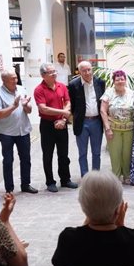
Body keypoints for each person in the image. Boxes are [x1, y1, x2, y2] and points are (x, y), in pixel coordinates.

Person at [34, 63, 78, 192]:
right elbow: (43, 109)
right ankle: (50, 182)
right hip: (47, 125)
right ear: (43, 75)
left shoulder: (62, 86)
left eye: (55, 71)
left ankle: (65, 179)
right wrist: (62, 112)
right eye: (51, 72)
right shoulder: (39, 90)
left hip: (62, 123)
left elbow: (68, 102)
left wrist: (64, 119)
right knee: (47, 155)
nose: (54, 74)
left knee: (63, 154)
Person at [0, 69, 36, 194]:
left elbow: (29, 111)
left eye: (16, 78)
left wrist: (26, 105)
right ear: (4, 80)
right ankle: (9, 188)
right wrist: (14, 106)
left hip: (23, 130)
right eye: (12, 79)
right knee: (8, 160)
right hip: (7, 133)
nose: (15, 81)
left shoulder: (21, 89)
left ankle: (26, 185)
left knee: (26, 158)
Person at [68, 61, 105, 177]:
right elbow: (72, 105)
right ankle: (85, 176)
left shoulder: (100, 82)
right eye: (84, 70)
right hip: (82, 122)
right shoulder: (73, 85)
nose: (87, 72)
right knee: (82, 153)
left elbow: (103, 102)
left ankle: (95, 176)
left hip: (96, 122)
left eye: (89, 69)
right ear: (79, 72)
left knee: (96, 152)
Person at [100, 70, 134, 184]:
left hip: (129, 128)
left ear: (125, 80)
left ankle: (127, 175)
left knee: (127, 153)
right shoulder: (108, 93)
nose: (120, 81)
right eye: (117, 79)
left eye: (122, 79)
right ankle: (115, 176)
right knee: (115, 153)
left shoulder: (131, 93)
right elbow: (103, 111)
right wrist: (107, 128)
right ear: (114, 81)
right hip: (113, 128)